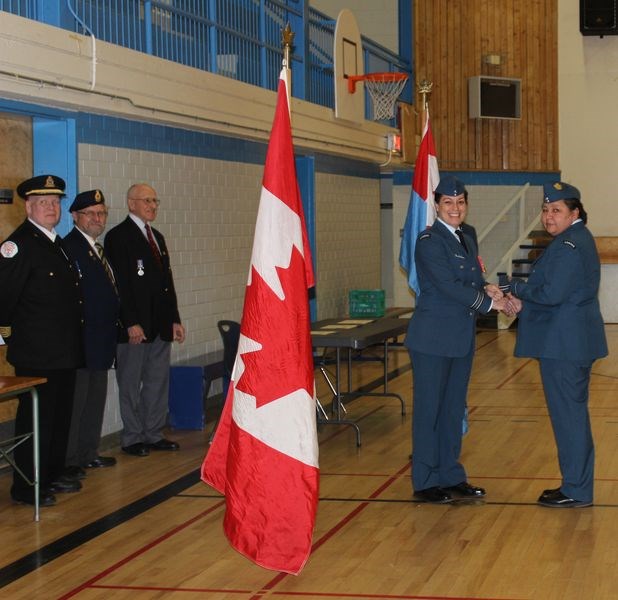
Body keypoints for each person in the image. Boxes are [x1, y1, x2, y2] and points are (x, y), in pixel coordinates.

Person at [404, 175, 511, 504]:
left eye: (461, 202)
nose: (455, 208)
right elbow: (448, 285)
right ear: (436, 205)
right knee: (429, 411)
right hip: (432, 339)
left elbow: (471, 277)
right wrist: (489, 303)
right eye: (448, 202)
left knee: (452, 410)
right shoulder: (428, 241)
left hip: (460, 337)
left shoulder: (469, 235)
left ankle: (450, 475)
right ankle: (425, 480)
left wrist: (489, 287)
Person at [505, 181, 607, 508]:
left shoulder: (569, 245)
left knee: (569, 418)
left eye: (557, 210)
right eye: (546, 210)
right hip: (570, 342)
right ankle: (574, 485)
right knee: (570, 415)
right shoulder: (575, 239)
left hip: (564, 346)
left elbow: (551, 294)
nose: (549, 217)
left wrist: (515, 290)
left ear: (574, 212)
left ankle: (576, 489)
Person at [0, 175, 83, 507]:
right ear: (28, 206)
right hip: (37, 350)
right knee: (38, 418)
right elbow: (4, 298)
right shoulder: (18, 245)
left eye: (56, 202)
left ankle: (51, 473)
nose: (52, 208)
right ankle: (26, 485)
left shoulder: (54, 242)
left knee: (60, 415)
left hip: (63, 348)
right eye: (44, 203)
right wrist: (6, 338)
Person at [105, 183, 185, 457]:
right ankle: (132, 437)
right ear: (131, 204)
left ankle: (153, 432)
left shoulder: (157, 237)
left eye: (154, 200)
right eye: (146, 200)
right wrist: (130, 322)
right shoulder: (118, 237)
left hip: (160, 324)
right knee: (130, 382)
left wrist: (174, 319)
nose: (152, 205)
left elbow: (167, 283)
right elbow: (120, 286)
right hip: (135, 328)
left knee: (156, 380)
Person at [62, 190, 120, 479]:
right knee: (77, 404)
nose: (98, 219)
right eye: (91, 214)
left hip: (100, 341)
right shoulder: (69, 248)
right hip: (81, 342)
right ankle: (70, 458)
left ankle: (88, 452)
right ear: (75, 216)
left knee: (95, 401)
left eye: (102, 213)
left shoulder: (96, 249)